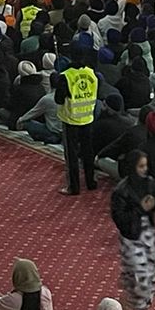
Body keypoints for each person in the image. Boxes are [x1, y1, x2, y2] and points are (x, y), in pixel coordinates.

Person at [111, 150, 155, 310]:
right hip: (131, 236)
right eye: (141, 166)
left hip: (148, 234)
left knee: (150, 275)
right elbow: (120, 219)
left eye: (145, 166)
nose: (144, 169)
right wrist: (141, 208)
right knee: (138, 275)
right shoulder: (122, 190)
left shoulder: (149, 183)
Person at [57, 45, 101, 197]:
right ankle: (91, 182)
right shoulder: (92, 73)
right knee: (88, 152)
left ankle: (73, 187)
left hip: (71, 119)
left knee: (72, 156)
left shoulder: (66, 76)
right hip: (88, 117)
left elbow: (58, 99)